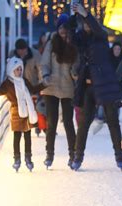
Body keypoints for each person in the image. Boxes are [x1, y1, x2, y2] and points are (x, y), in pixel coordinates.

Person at [70, 3, 122, 170]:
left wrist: (85, 14)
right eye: (84, 23)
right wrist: (75, 17)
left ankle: (119, 155)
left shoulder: (101, 36)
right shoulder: (81, 39)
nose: (87, 26)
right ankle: (77, 156)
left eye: (89, 23)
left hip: (104, 85)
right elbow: (71, 36)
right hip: (88, 87)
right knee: (84, 123)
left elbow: (95, 27)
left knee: (112, 121)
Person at [0, 57, 45, 172]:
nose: (19, 72)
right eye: (17, 70)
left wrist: (43, 85)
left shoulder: (24, 81)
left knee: (27, 135)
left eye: (21, 69)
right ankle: (17, 158)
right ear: (11, 70)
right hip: (16, 112)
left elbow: (32, 89)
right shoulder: (7, 84)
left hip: (27, 111)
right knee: (17, 136)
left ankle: (28, 157)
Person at [40, 13, 79, 169]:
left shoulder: (73, 45)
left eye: (65, 30)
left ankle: (73, 154)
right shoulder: (52, 43)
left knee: (69, 123)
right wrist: (45, 75)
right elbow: (44, 63)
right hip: (51, 87)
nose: (63, 33)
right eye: (61, 30)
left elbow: (77, 63)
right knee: (52, 122)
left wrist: (75, 73)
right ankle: (49, 154)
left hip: (68, 87)